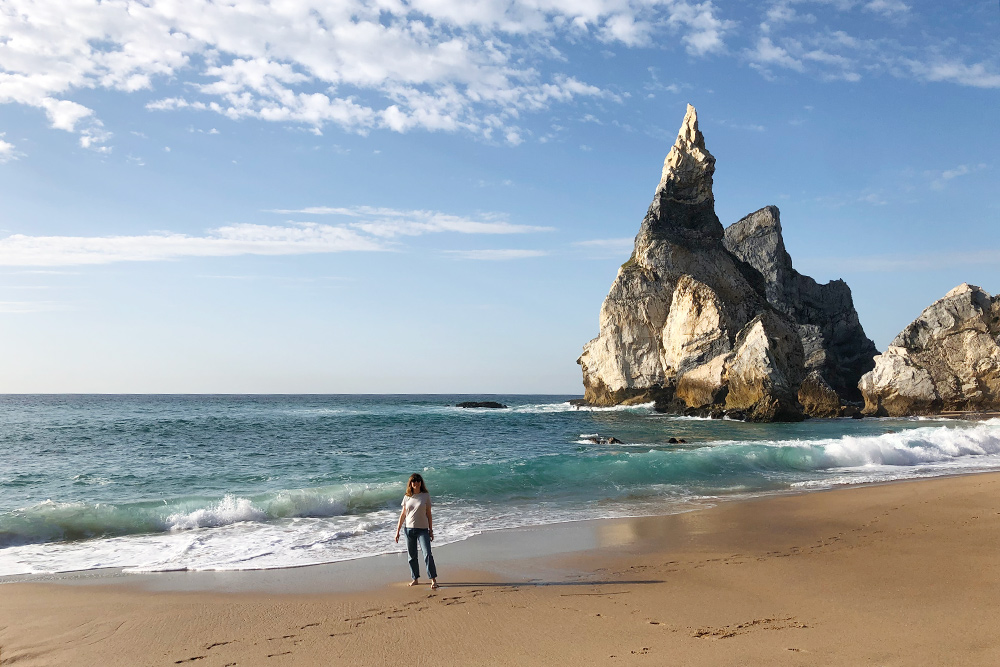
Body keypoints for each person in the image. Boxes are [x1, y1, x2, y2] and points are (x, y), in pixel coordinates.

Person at [394, 473, 439, 589]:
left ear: (421, 482)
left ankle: (433, 579)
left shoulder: (425, 496)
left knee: (427, 554)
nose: (416, 482)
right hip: (409, 530)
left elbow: (429, 514)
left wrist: (431, 530)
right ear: (410, 483)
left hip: (423, 530)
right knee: (412, 556)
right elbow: (403, 515)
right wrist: (397, 531)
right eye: (414, 481)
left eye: (418, 480)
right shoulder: (407, 497)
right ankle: (415, 578)